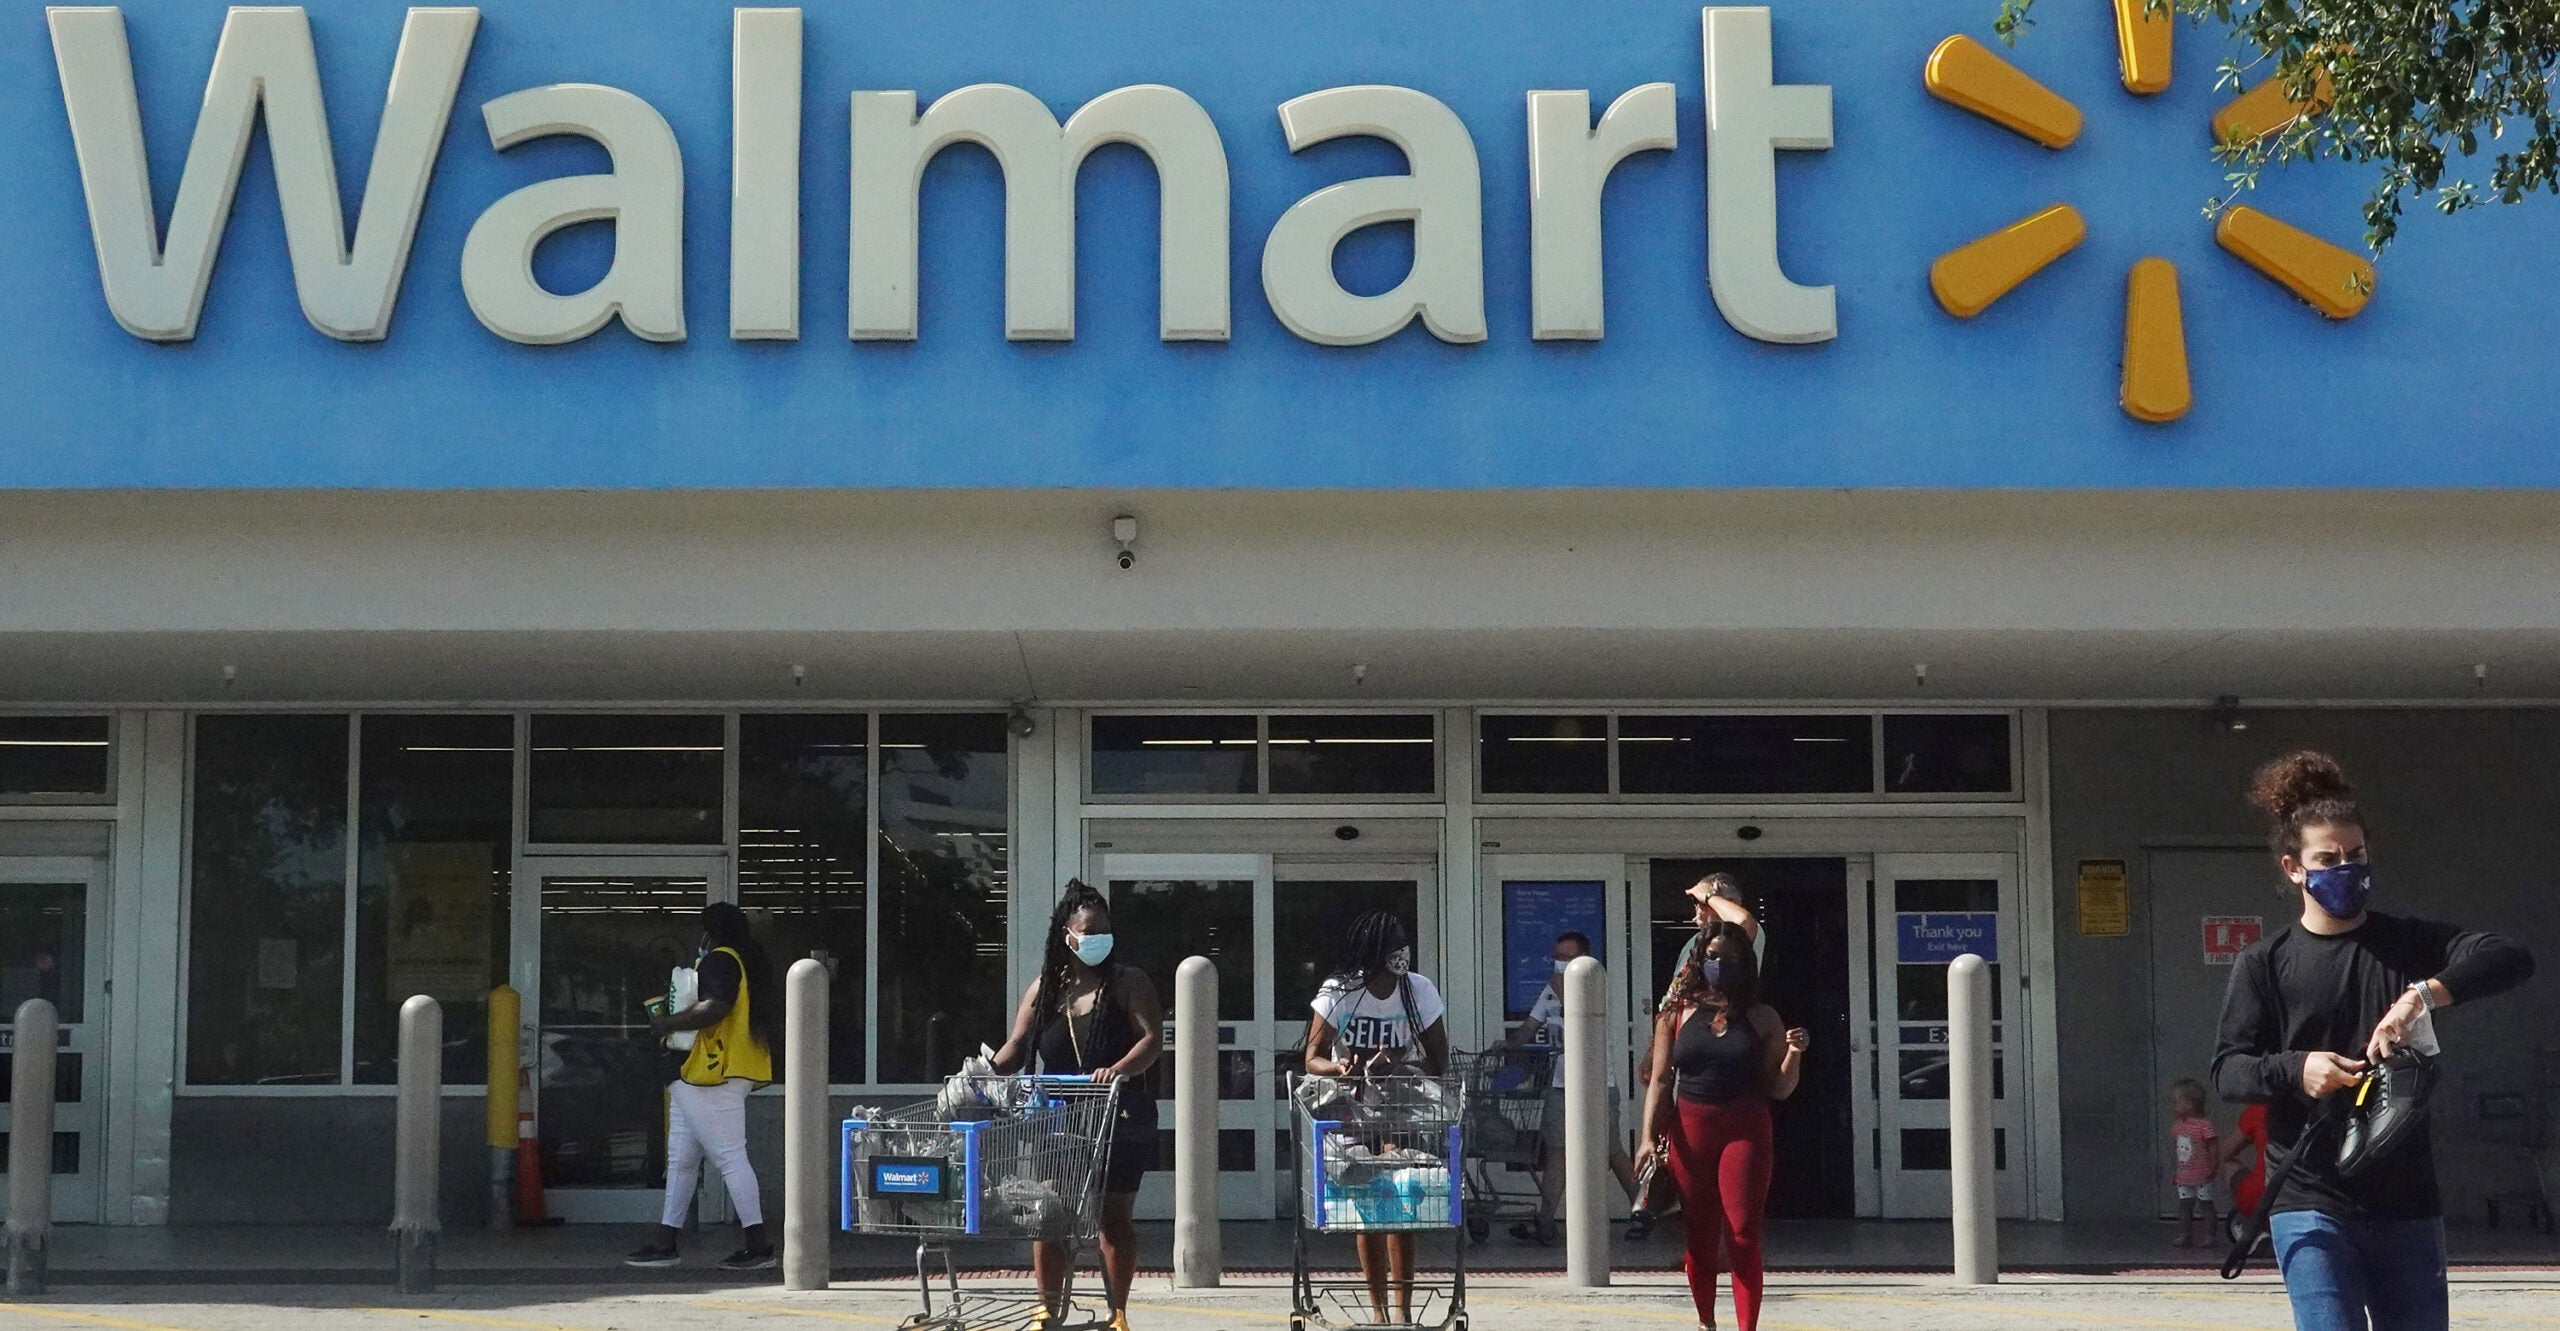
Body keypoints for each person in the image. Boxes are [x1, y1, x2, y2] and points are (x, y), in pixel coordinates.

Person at [2211, 751, 2535, 1331]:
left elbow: (2510, 957)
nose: (2346, 869)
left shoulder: (2406, 943)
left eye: (2356, 855)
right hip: (2309, 1198)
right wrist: (2297, 1068)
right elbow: (2229, 1069)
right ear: (2293, 868)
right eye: (2327, 859)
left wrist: (2421, 996)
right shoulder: (2265, 963)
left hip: (2405, 1198)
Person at [989, 881, 1162, 1331]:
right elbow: (1017, 1045)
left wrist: (1117, 1070)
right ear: (1067, 936)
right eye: (1089, 931)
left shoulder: (1128, 983)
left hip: (1118, 1115)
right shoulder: (1047, 988)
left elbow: (1151, 1040)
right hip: (1059, 1119)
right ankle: (1047, 1308)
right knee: (1050, 1213)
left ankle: (1117, 1312)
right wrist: (985, 1072)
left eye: (1104, 930)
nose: (1098, 939)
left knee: (1113, 1217)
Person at [1635, 921, 1807, 1331]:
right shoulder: (1676, 1013)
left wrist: (1794, 1054)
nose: (1720, 965)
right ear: (1698, 960)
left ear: (1746, 965)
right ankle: (1706, 1322)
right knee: (1699, 1232)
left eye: (1730, 959)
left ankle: (1747, 1326)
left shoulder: (1763, 1017)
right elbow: (1660, 1080)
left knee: (1743, 1232)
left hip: (1744, 1130)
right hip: (1690, 1130)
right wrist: (1647, 1138)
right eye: (1712, 957)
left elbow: (1779, 1088)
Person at [1304, 909, 1451, 1326]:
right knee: (1367, 1207)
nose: (1401, 953)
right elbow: (1312, 1057)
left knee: (1401, 1206)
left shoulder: (1418, 990)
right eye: (1392, 946)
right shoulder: (1339, 991)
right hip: (1350, 1111)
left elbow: (1439, 1059)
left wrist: (1402, 1064)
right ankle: (1378, 1311)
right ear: (1370, 954)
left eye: (1403, 943)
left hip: (1401, 1109)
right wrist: (1340, 1068)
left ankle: (1403, 1312)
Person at [626, 902, 780, 1270]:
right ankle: (666, 1241)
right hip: (719, 1071)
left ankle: (758, 1246)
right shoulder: (747, 960)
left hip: (710, 1073)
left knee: (730, 1157)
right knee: (681, 1160)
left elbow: (714, 1007)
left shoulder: (720, 960)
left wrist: (666, 1024)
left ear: (710, 931)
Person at [1503, 929, 1635, 1244]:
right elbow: (1530, 1027)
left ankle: (1644, 1207)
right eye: (1557, 957)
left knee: (1610, 1150)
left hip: (1597, 1083)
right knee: (1557, 1151)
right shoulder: (1550, 990)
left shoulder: (1595, 986)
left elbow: (1583, 1020)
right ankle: (1545, 1219)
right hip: (1561, 1084)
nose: (1559, 963)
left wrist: (1565, 989)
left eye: (1567, 958)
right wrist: (1507, 1046)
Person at [2167, 1077, 2220, 1247]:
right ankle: (2185, 1234)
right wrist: (2175, 1170)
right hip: (2184, 1175)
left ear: (2189, 1104)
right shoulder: (2178, 1126)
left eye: (2176, 1102)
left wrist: (2214, 1165)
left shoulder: (2204, 1125)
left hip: (2203, 1174)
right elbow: (2178, 1150)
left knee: (2206, 1205)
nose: (2174, 1106)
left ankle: (2210, 1235)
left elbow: (2213, 1147)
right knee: (2185, 1205)